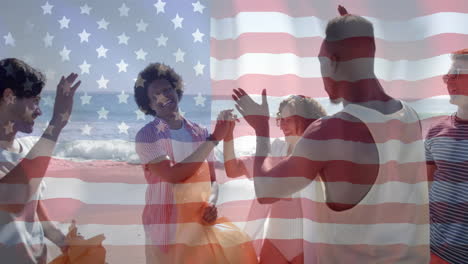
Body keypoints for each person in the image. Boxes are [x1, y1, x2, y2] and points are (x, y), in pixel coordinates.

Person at [232, 6, 429, 263]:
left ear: (333, 62)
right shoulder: (410, 117)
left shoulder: (330, 132)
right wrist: (357, 43)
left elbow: (266, 189)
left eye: (322, 62)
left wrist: (260, 128)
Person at [133, 63, 257, 264]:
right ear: (148, 103)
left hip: (197, 222)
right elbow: (173, 175)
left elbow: (212, 180)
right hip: (165, 226)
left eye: (167, 89)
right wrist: (214, 139)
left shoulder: (199, 132)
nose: (164, 97)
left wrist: (212, 203)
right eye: (155, 95)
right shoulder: (147, 135)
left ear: (177, 89)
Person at [223, 95, 326, 263]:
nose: (283, 125)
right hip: (274, 244)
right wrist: (228, 134)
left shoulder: (322, 156)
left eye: (290, 120)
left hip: (309, 245)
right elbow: (232, 170)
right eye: (281, 119)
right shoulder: (276, 151)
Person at [0, 58, 81, 263]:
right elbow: (14, 199)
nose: (39, 110)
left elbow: (33, 211)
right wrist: (57, 123)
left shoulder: (26, 147)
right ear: (9, 96)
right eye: (34, 101)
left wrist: (65, 243)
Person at [425, 49, 468, 264]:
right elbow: (425, 188)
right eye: (447, 75)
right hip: (436, 252)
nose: (449, 80)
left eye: (458, 73)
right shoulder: (435, 131)